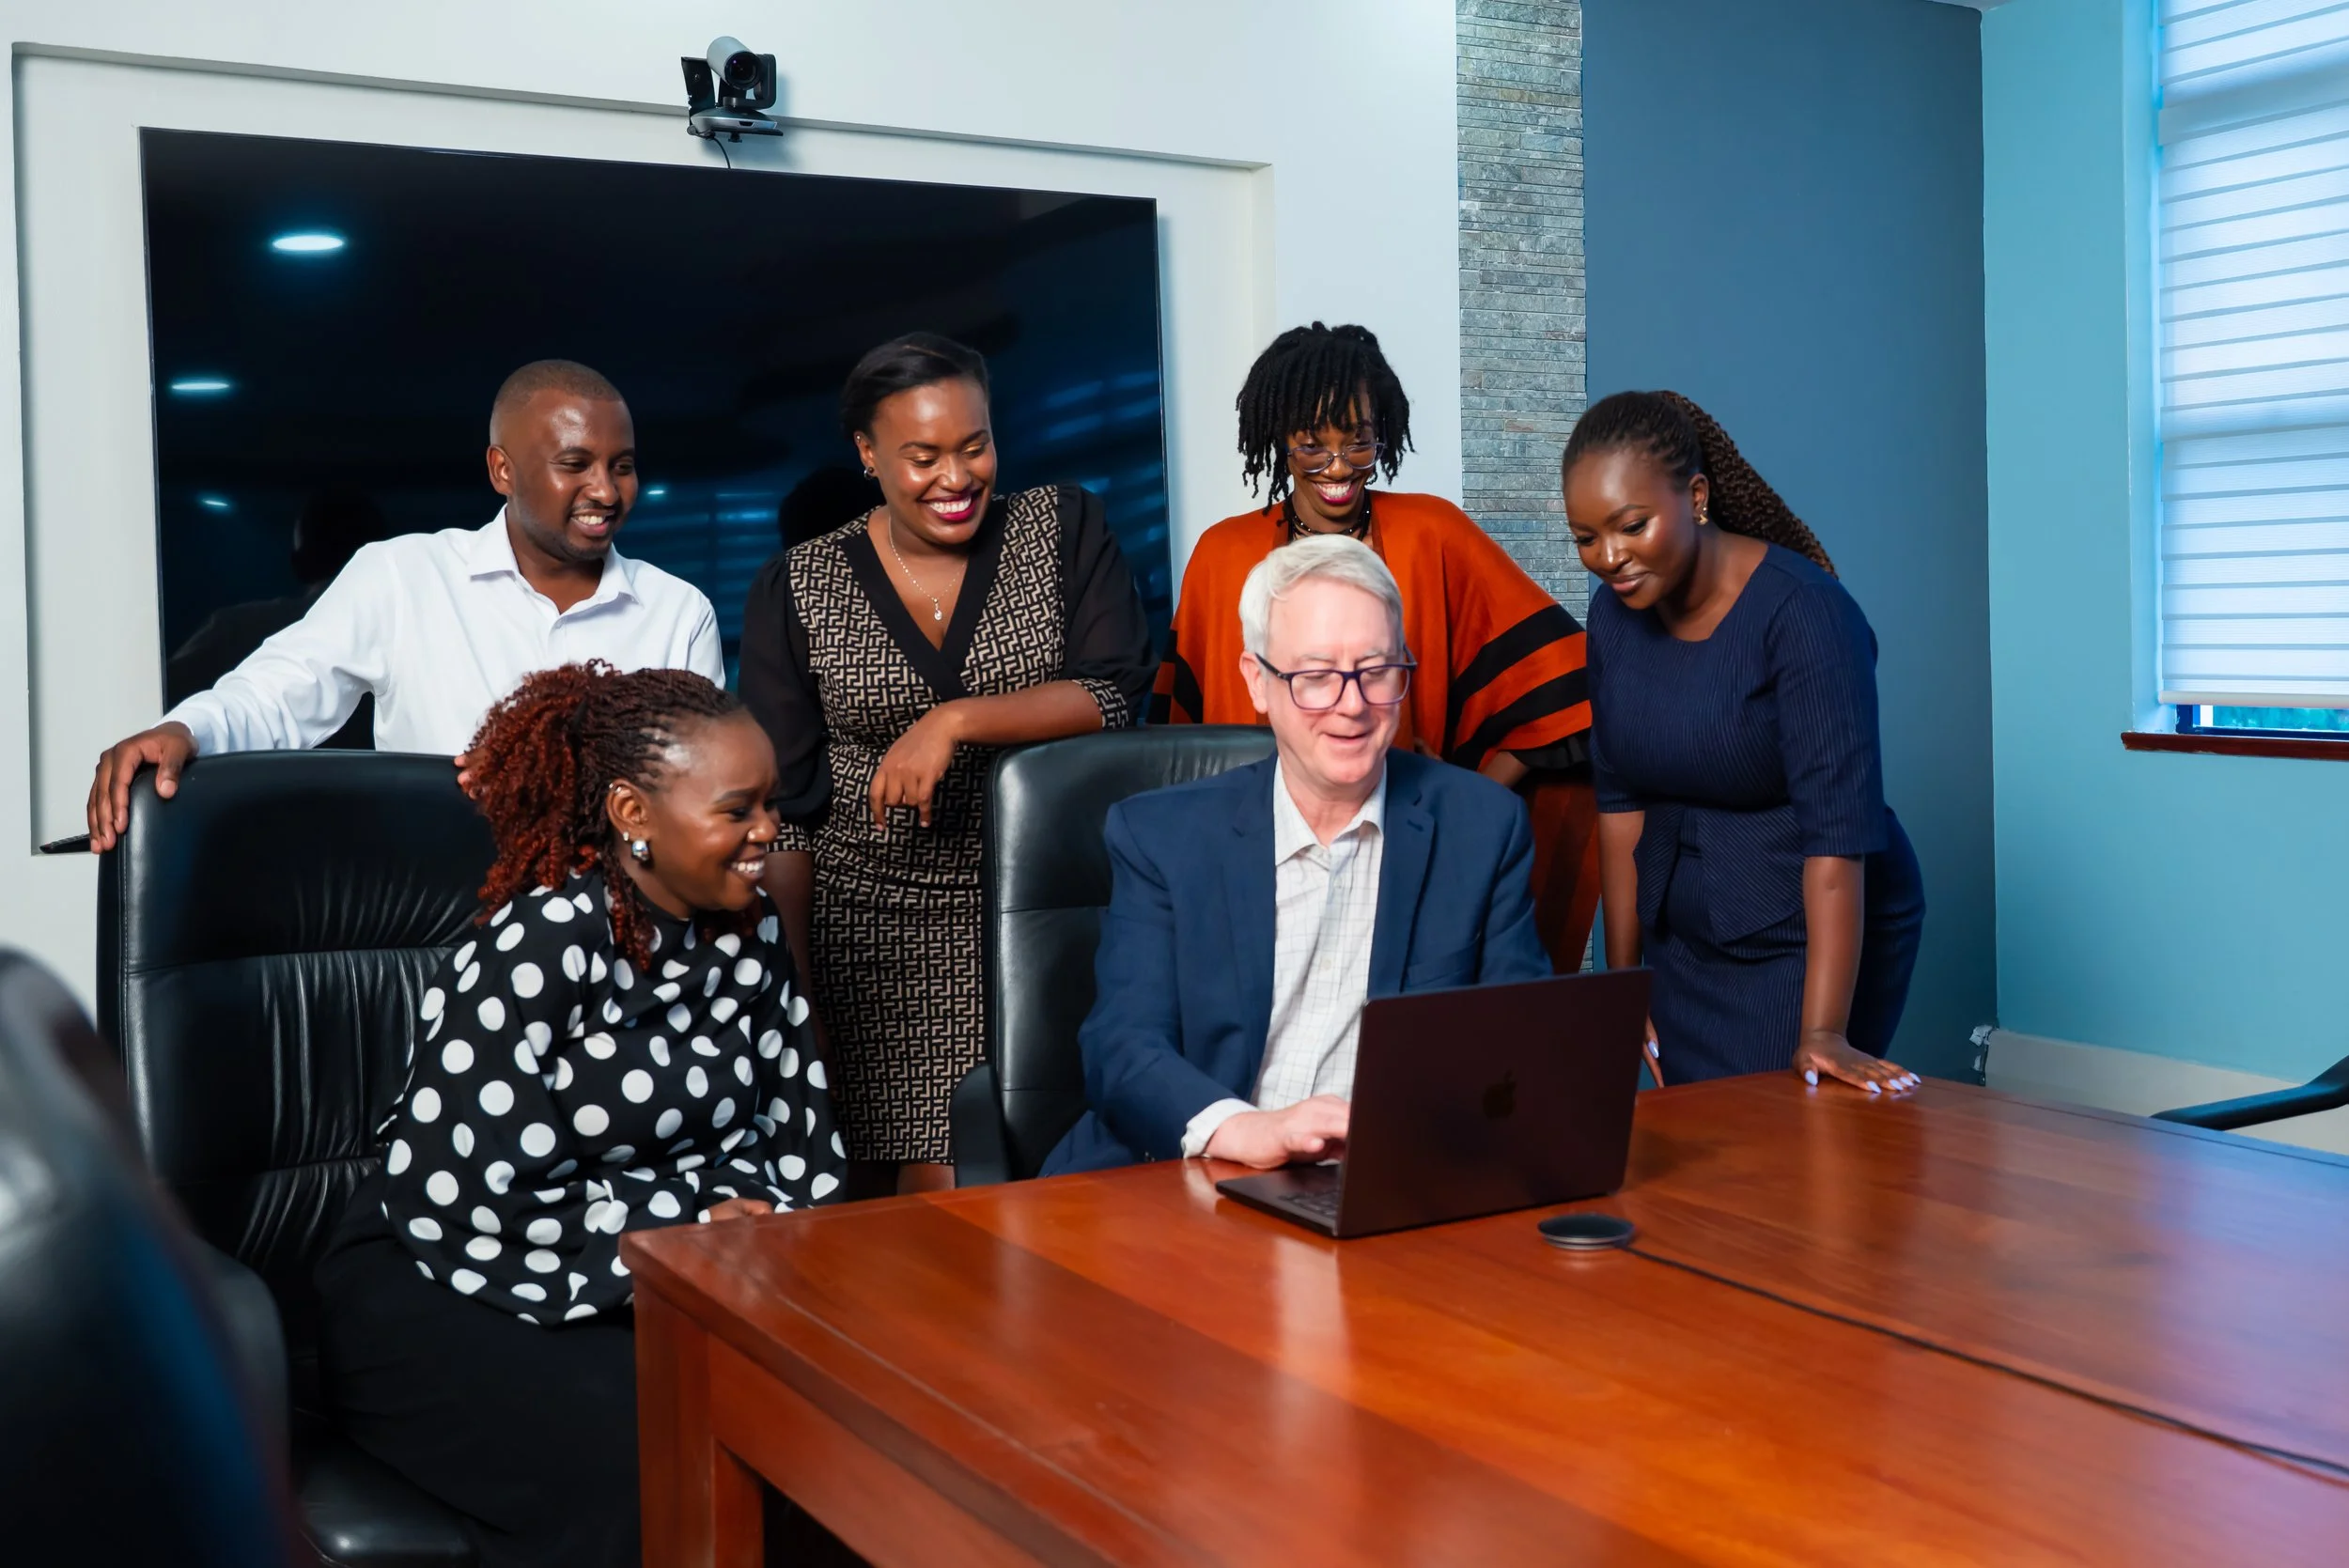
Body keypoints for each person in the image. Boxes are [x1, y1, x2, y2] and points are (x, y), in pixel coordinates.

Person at [315, 660, 845, 1568]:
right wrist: (686, 1234)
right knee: (647, 1456)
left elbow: (796, 1136)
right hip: (452, 1264)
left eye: (771, 803)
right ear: (633, 812)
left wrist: (755, 1225)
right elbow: (471, 1193)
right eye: (738, 810)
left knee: (834, 1424)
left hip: (674, 1266)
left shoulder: (751, 928)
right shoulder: (538, 943)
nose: (768, 831)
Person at [739, 334, 1154, 1194]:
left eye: (975, 446)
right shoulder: (800, 585)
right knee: (902, 1202)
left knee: (1029, 1185)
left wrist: (954, 720)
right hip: (869, 933)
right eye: (923, 457)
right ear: (868, 453)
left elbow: (1113, 694)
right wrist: (799, 996)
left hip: (1042, 913)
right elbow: (787, 817)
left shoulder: (1061, 527)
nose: (956, 478)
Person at [1043, 536, 1550, 1174]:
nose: (1353, 705)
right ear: (1258, 681)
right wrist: (1244, 1129)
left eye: (1377, 670)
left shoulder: (1483, 827)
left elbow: (1518, 1044)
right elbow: (1121, 1046)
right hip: (1188, 1171)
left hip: (1382, 1179)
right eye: (1316, 677)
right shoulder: (1160, 836)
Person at [86, 359, 723, 850]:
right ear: (502, 470)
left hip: (625, 940)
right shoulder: (402, 576)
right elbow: (275, 694)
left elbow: (704, 796)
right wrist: (184, 730)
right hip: (442, 931)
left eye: (622, 466)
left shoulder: (677, 611)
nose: (606, 490)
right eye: (575, 463)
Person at [1152, 322, 1599, 970]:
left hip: (1404, 866)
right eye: (1313, 445)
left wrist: (1469, 796)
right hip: (1261, 871)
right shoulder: (1223, 557)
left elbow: (1571, 682)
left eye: (1358, 442)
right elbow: (1179, 752)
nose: (1338, 468)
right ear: (1279, 438)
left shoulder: (1431, 533)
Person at [1562, 390, 1924, 1092]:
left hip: (1807, 932)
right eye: (1585, 538)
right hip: (1683, 931)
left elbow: (1837, 834)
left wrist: (1823, 1031)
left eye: (1632, 526)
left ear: (1696, 497)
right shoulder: (1612, 617)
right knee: (1692, 1141)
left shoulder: (1806, 614)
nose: (1609, 557)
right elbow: (1620, 805)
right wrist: (1623, 983)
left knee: (1779, 1137)